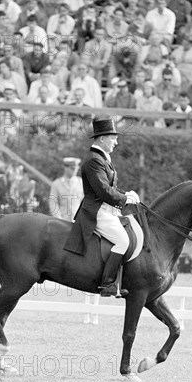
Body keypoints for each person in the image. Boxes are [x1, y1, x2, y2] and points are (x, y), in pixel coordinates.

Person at [64, 117, 141, 297]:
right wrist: (125, 199)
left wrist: (127, 194)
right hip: (97, 212)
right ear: (102, 138)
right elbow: (104, 191)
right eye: (113, 138)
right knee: (123, 241)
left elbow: (109, 187)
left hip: (107, 210)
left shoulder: (102, 159)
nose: (116, 141)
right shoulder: (94, 160)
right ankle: (107, 283)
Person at [48, 157, 84, 222]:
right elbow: (53, 203)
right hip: (62, 221)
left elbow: (84, 202)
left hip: (78, 222)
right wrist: (58, 218)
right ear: (66, 168)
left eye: (76, 169)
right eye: (72, 169)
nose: (75, 171)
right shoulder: (56, 184)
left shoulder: (81, 183)